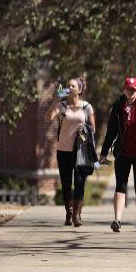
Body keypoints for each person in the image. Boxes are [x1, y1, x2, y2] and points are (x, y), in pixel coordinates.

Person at [100, 76, 136, 233]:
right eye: (128, 89)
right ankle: (117, 220)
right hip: (123, 153)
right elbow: (111, 131)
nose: (130, 92)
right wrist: (103, 153)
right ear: (124, 90)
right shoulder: (118, 107)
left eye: (133, 89)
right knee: (120, 186)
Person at [47, 77, 96, 227]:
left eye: (72, 86)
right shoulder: (61, 106)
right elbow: (47, 118)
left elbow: (93, 129)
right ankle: (68, 213)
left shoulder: (87, 107)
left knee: (79, 183)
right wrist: (56, 100)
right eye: (68, 86)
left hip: (80, 151)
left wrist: (85, 129)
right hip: (63, 150)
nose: (69, 88)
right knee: (66, 184)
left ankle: (77, 215)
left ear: (79, 90)